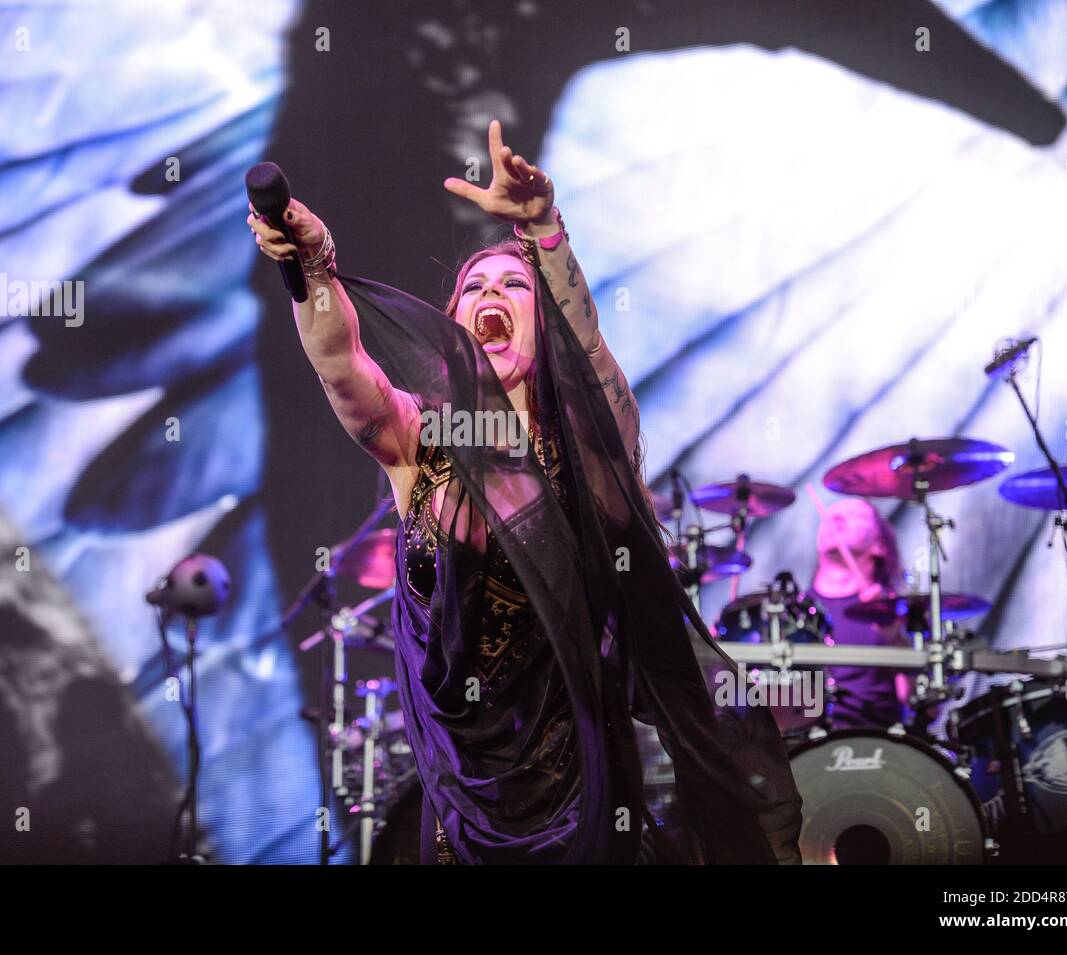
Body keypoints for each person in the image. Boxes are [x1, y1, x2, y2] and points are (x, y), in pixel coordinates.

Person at [248, 120, 802, 864]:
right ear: (451, 329)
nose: (490, 294)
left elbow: (592, 354)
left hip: (579, 794)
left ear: (545, 328)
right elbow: (339, 361)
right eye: (473, 286)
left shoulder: (591, 452)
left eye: (513, 285)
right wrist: (314, 269)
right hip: (461, 790)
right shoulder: (419, 441)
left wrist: (542, 230)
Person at [810, 498, 910, 729]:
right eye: (831, 515)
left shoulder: (895, 611)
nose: (836, 519)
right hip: (805, 742)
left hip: (876, 744)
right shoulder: (795, 611)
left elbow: (914, 700)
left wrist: (895, 638)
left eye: (854, 515)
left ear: (879, 544)